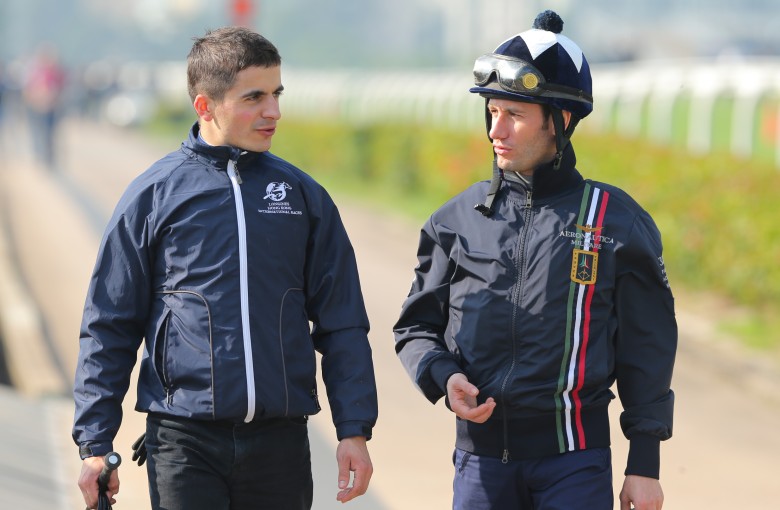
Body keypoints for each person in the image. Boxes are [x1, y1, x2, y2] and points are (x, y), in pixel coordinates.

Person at [73, 27, 378, 510]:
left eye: (277, 94)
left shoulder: (303, 196)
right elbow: (109, 323)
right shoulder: (154, 194)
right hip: (182, 441)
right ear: (204, 105)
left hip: (280, 443)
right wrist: (95, 444)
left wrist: (354, 430)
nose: (273, 111)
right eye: (254, 97)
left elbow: (342, 322)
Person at [393, 10, 677, 510]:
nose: (495, 130)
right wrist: (443, 377)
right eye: (492, 112)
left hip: (575, 463)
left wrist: (644, 464)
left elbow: (647, 348)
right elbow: (415, 328)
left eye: (515, 115)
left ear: (561, 121)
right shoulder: (456, 218)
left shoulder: (616, 221)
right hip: (478, 465)